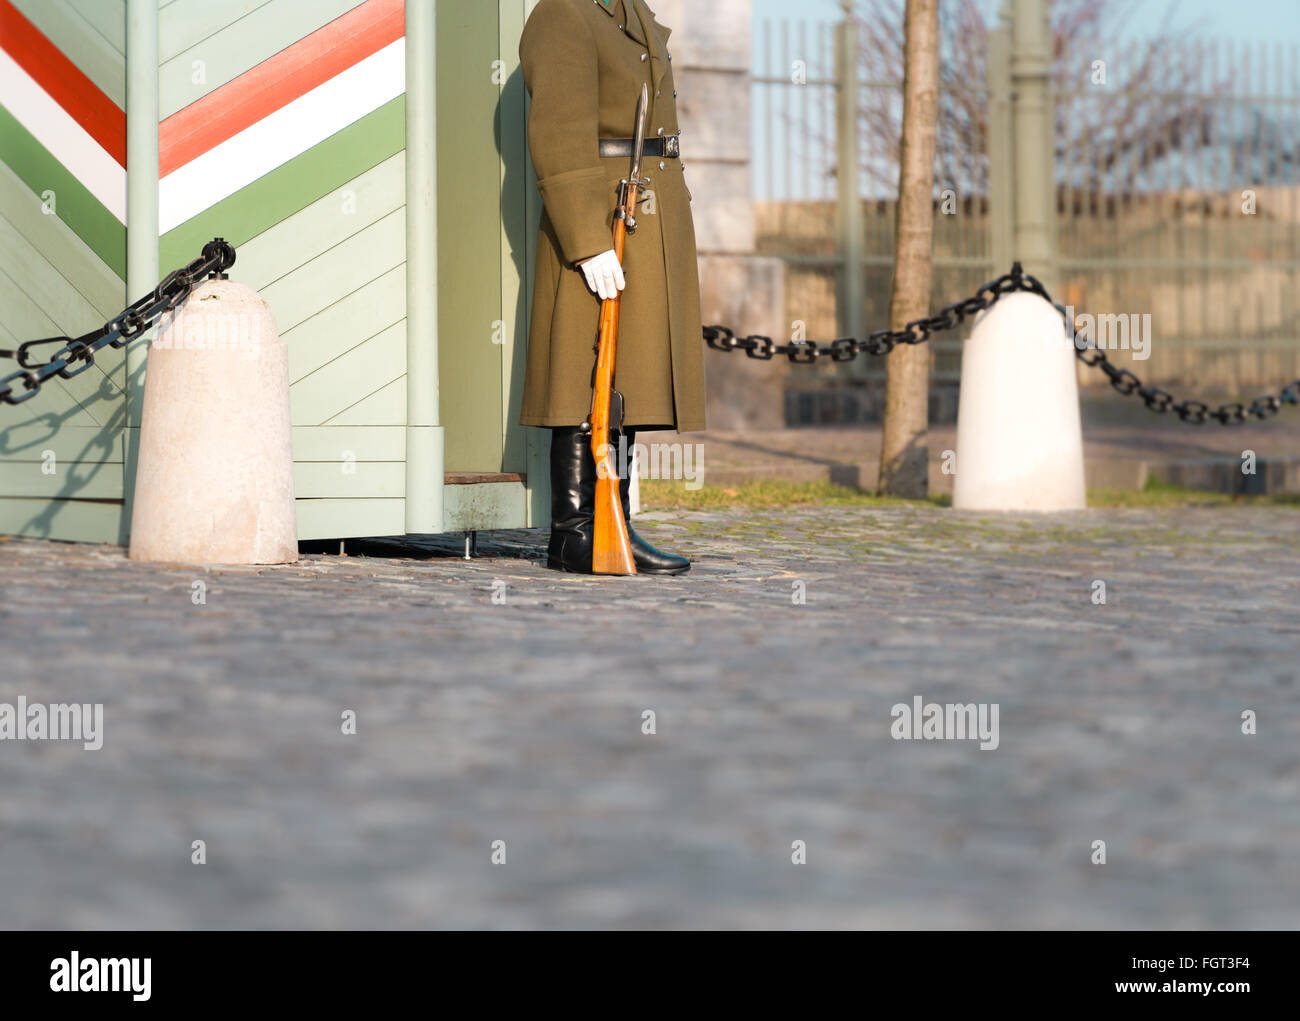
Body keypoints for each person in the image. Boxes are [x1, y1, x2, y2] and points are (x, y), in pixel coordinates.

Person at [519, 0, 706, 575]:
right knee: (587, 376)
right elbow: (557, 135)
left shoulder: (630, 13)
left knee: (622, 383)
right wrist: (586, 238)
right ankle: (576, 533)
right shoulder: (565, 14)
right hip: (603, 215)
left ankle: (613, 521)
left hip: (642, 211)